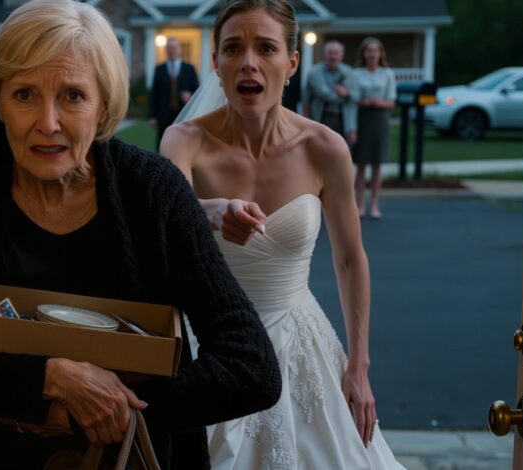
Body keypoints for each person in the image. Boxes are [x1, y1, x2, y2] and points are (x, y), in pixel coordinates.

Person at [0, 1, 282, 469]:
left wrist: (116, 411)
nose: (48, 123)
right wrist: (51, 380)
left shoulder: (153, 190)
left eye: (72, 96)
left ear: (104, 104)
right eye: (24, 94)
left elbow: (251, 365)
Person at [161, 0, 405, 468]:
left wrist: (358, 367)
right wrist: (211, 211)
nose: (248, 62)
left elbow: (350, 259)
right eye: (233, 48)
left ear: (291, 64)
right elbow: (167, 220)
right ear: (216, 62)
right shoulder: (183, 141)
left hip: (301, 344)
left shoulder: (325, 149)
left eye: (266, 48)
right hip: (210, 344)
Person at [352, 36, 397, 219]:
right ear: (364, 53)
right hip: (362, 118)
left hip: (380, 119)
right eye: (369, 50)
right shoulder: (356, 73)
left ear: (380, 54)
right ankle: (360, 204)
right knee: (361, 164)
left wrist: (378, 102)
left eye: (375, 50)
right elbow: (353, 98)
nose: (372, 54)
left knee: (377, 164)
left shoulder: (387, 73)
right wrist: (364, 101)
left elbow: (392, 102)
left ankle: (375, 205)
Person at [303, 40, 359, 144]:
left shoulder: (349, 72)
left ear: (342, 55)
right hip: (321, 118)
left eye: (336, 53)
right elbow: (321, 95)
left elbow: (357, 96)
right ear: (324, 54)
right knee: (321, 149)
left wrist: (347, 93)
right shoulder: (314, 73)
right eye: (330, 53)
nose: (333, 56)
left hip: (344, 121)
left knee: (344, 150)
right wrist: (308, 124)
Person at [148, 38, 200, 148]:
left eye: (174, 48)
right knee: (163, 145)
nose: (172, 50)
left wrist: (190, 95)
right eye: (169, 48)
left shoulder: (189, 68)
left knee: (182, 145)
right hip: (163, 115)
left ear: (180, 50)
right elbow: (154, 94)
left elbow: (197, 91)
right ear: (166, 50)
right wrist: (153, 116)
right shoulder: (159, 69)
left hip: (184, 115)